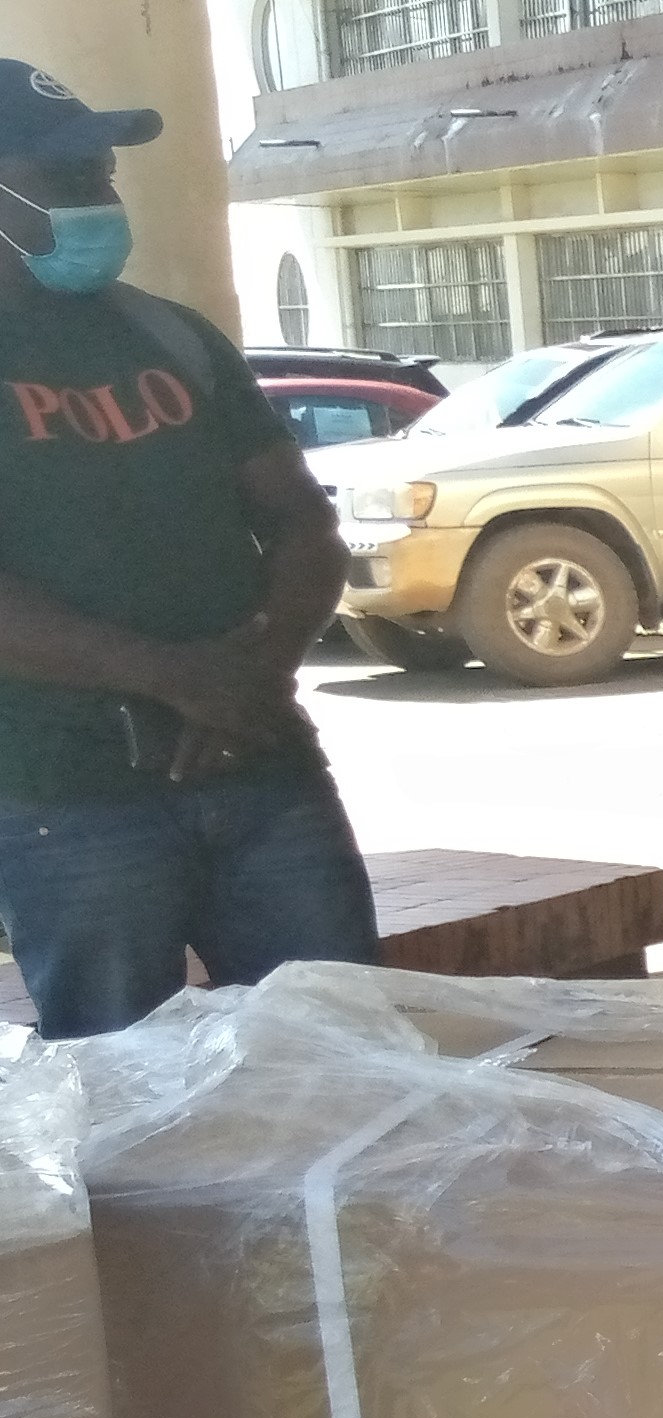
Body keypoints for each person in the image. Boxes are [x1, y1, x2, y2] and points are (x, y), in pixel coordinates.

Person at [0, 58, 377, 1039]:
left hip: (259, 765)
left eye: (104, 173)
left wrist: (254, 673)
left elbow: (302, 521)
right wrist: (178, 678)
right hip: (71, 797)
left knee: (341, 1052)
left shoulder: (172, 336)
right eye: (67, 176)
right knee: (124, 1097)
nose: (102, 196)